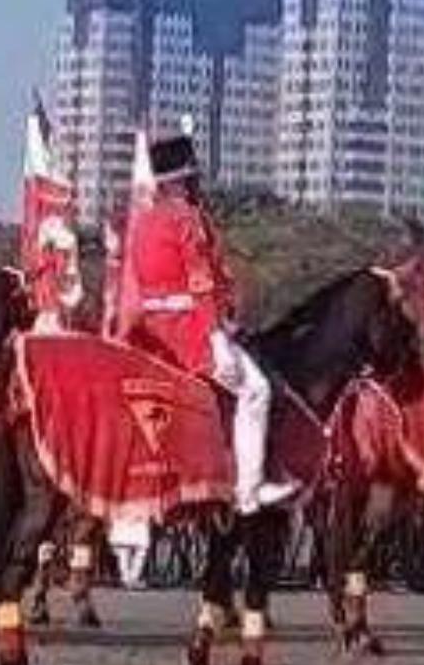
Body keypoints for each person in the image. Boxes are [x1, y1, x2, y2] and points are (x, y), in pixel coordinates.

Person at [119, 134, 295, 513]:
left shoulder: (142, 221)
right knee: (257, 390)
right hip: (189, 331)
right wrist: (216, 336)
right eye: (193, 177)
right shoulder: (187, 217)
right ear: (182, 180)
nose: (197, 184)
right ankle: (249, 489)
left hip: (151, 329)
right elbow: (199, 282)